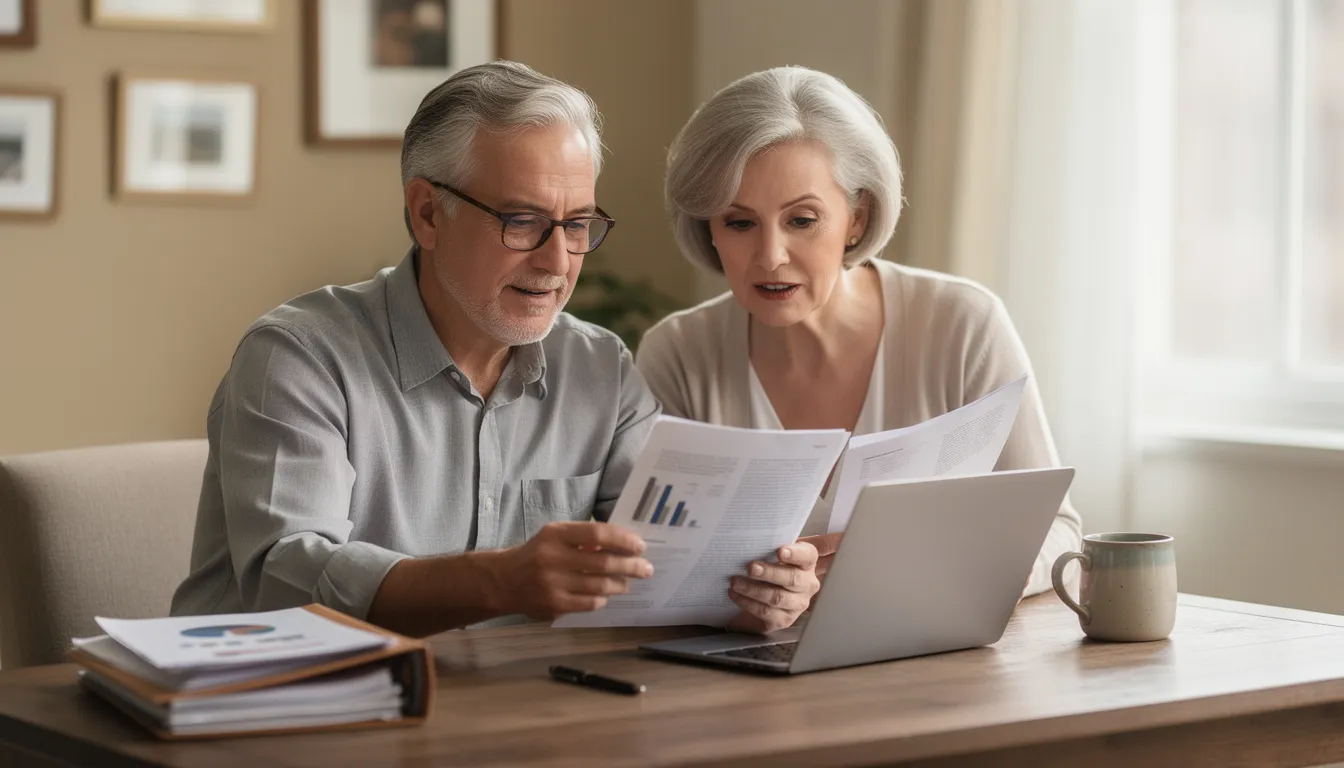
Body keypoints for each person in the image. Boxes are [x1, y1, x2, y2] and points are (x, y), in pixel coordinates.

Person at [170, 61, 823, 637]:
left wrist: (752, 595)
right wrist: (496, 583)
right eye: (523, 221)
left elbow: (664, 567)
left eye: (575, 225)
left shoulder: (602, 370)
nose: (557, 260)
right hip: (275, 716)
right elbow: (288, 580)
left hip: (511, 716)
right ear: (427, 213)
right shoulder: (297, 357)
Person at [637, 66, 1083, 630]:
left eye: (802, 220)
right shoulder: (677, 354)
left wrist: (987, 570)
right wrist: (741, 601)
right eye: (739, 222)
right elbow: (655, 565)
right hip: (744, 682)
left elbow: (1058, 530)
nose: (771, 255)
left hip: (934, 670)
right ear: (709, 229)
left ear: (857, 219)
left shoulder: (963, 324)